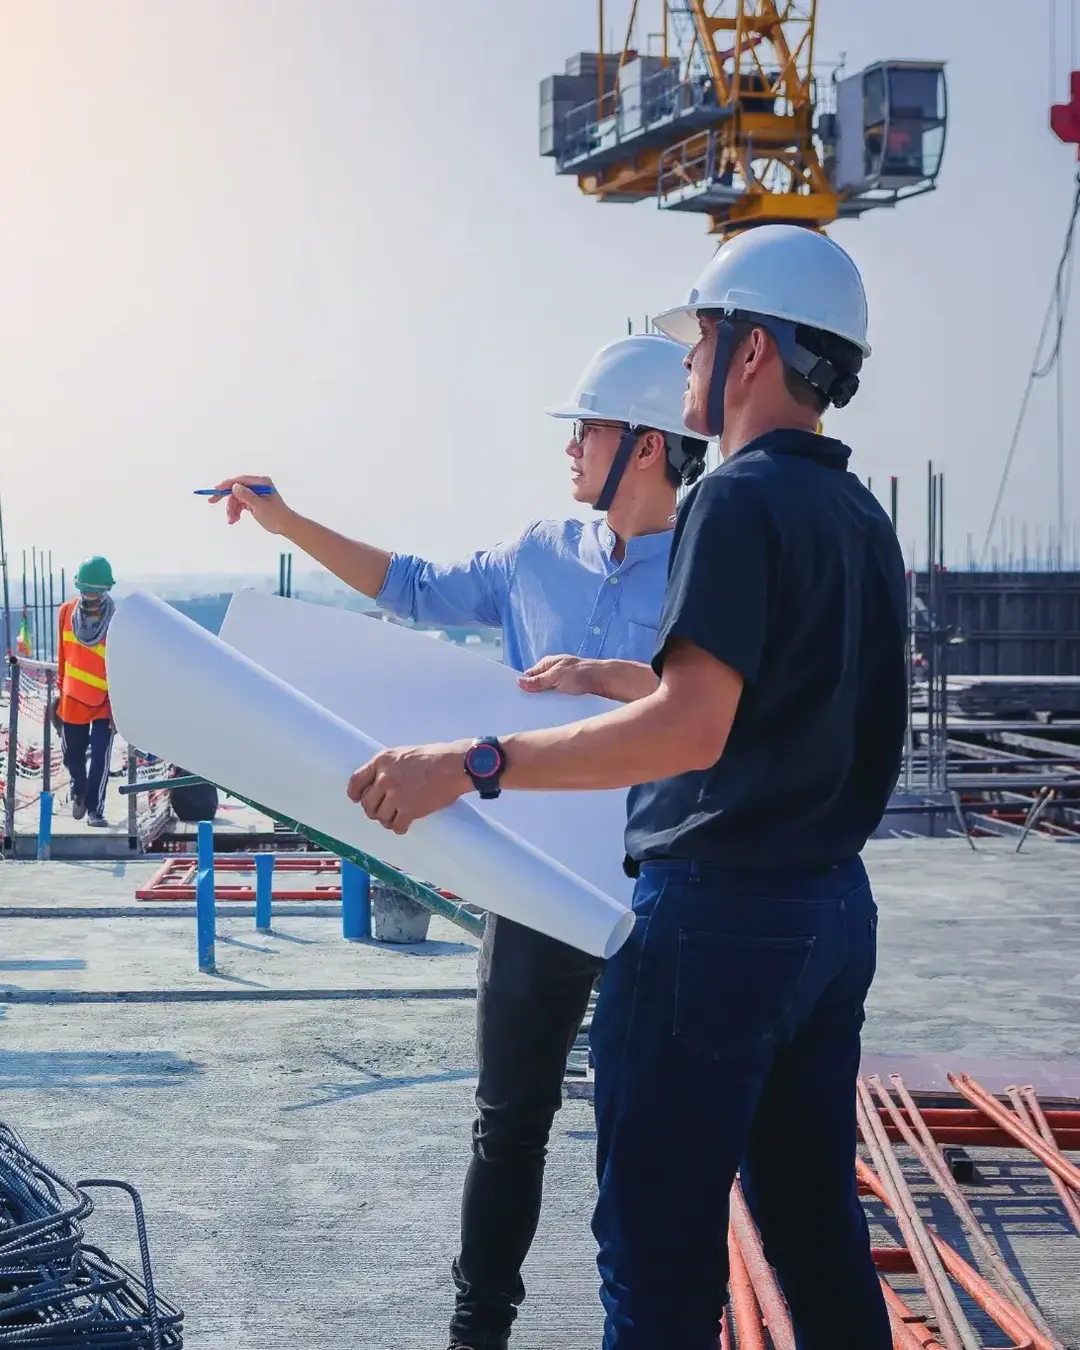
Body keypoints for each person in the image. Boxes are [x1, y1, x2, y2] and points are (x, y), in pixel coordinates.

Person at [344, 225, 908, 1350]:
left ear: (753, 350)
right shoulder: (861, 518)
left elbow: (691, 731)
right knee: (815, 1239)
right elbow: (791, 710)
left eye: (701, 338)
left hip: (717, 927)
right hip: (832, 914)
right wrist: (634, 675)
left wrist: (476, 761)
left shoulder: (735, 500)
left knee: (655, 1263)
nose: (691, 364)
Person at [209, 334, 710, 1350]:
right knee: (509, 1121)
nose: (570, 448)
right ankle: (477, 1331)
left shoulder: (713, 564)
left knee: (647, 1132)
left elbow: (731, 717)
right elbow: (411, 585)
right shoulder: (536, 555)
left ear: (647, 446)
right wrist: (285, 517)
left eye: (588, 429)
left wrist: (617, 683)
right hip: (537, 883)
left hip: (665, 885)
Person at [55, 556, 118, 828]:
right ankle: (78, 789)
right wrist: (58, 693)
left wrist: (119, 707)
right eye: (85, 589)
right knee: (73, 755)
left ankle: (95, 810)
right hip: (72, 697)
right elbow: (62, 656)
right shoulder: (66, 613)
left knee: (101, 756)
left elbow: (120, 665)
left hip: (104, 700)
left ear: (105, 591)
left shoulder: (116, 621)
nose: (89, 596)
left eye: (94, 591)